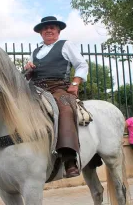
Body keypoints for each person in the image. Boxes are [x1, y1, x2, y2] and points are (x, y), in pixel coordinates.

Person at [24, 16, 89, 178]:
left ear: (58, 31)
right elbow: (29, 76)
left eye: (52, 27)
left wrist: (75, 83)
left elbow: (81, 64)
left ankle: (69, 159)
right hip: (36, 89)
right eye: (45, 28)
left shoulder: (65, 45)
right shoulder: (35, 52)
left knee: (65, 109)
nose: (48, 30)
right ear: (40, 33)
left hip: (58, 88)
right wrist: (29, 69)